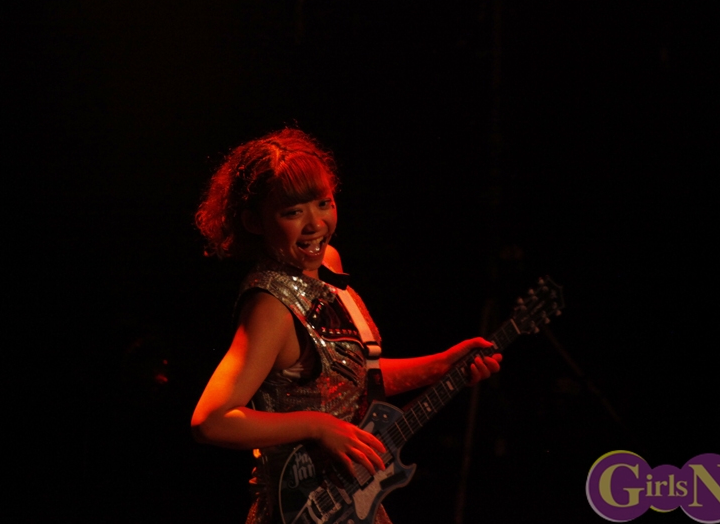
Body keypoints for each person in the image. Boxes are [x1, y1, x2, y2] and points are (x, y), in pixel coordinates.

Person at [191, 128, 502, 524]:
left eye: (323, 203)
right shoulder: (270, 306)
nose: (315, 224)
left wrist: (443, 364)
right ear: (254, 222)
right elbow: (211, 420)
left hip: (351, 503)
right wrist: (318, 426)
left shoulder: (328, 264)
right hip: (303, 512)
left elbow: (352, 378)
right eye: (292, 212)